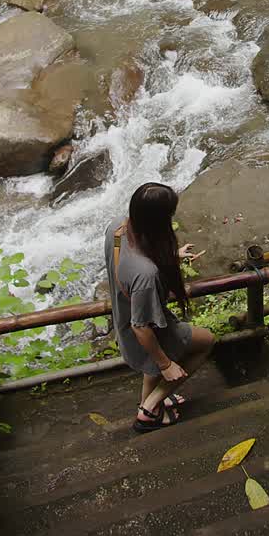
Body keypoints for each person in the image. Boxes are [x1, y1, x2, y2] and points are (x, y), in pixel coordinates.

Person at [105, 182, 214, 433]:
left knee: (152, 364)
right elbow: (141, 327)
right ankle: (149, 407)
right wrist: (166, 364)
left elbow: (131, 259)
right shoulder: (147, 275)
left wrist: (172, 254)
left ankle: (150, 409)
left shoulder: (118, 227)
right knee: (206, 342)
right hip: (143, 332)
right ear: (158, 220)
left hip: (123, 317)